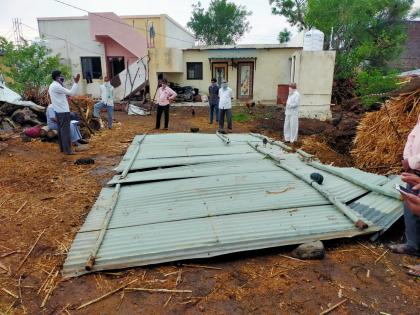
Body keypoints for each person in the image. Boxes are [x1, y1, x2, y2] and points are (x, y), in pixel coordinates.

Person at [48, 70, 80, 155]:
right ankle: (68, 150)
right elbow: (71, 93)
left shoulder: (53, 85)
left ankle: (63, 149)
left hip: (58, 111)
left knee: (62, 131)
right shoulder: (56, 86)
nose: (62, 77)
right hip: (63, 111)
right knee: (66, 131)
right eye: (61, 76)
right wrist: (76, 83)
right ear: (57, 77)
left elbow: (62, 96)